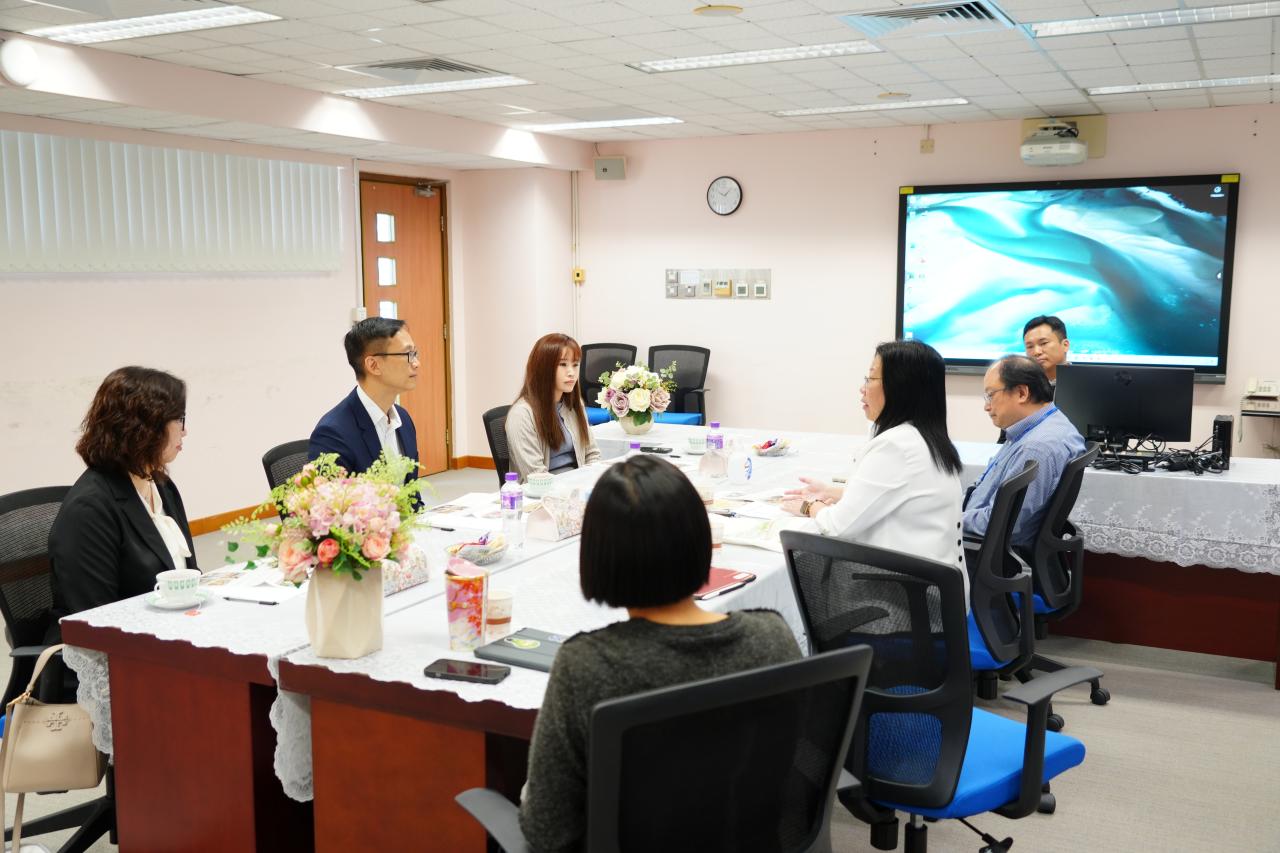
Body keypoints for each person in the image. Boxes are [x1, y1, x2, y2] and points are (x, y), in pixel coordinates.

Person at [518, 456, 801, 852]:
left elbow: (548, 829)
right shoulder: (773, 637)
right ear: (700, 542)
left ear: (598, 557)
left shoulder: (586, 665)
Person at [781, 340, 966, 575]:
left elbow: (837, 527)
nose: (863, 388)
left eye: (870, 378)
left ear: (900, 387)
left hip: (902, 588)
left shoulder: (896, 446)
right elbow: (895, 496)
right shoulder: (923, 437)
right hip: (930, 581)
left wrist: (810, 506)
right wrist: (830, 492)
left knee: (802, 562)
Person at [48, 366, 196, 640]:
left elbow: (189, 578)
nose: (184, 431)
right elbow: (97, 621)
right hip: (120, 650)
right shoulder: (89, 509)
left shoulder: (162, 486)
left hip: (172, 633)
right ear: (145, 428)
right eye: (179, 419)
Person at [964, 355, 1086, 548]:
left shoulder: (1036, 448)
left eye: (991, 395)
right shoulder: (1047, 424)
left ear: (1022, 393)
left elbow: (997, 524)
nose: (986, 406)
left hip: (986, 552)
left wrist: (950, 519)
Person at [310, 317, 420, 475]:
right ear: (373, 365)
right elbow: (331, 491)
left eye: (415, 353)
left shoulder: (403, 419)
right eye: (407, 354)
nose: (416, 363)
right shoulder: (333, 433)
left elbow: (411, 489)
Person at [505, 333, 600, 482]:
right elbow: (536, 475)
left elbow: (592, 454)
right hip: (544, 491)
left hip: (577, 485)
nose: (571, 373)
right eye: (563, 364)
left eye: (575, 365)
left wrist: (592, 483)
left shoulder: (574, 406)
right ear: (543, 368)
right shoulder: (522, 414)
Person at [1023, 315, 1070, 386]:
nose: (1036, 352)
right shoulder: (1022, 385)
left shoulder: (1085, 381)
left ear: (1065, 345)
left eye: (1044, 343)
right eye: (1030, 346)